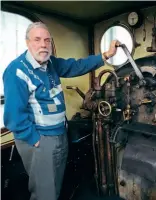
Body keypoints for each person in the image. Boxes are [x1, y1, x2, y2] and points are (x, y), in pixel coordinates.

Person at [3, 22, 119, 200]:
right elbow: (14, 118)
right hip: (40, 140)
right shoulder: (16, 71)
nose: (43, 44)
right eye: (37, 39)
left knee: (56, 184)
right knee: (45, 192)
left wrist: (105, 56)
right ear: (27, 42)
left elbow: (76, 66)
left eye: (47, 40)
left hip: (59, 134)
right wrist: (37, 142)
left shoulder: (51, 63)